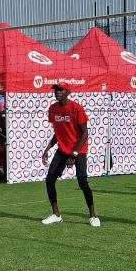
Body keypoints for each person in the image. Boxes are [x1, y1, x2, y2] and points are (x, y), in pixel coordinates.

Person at [41, 84, 99, 227]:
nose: (57, 92)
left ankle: (93, 216)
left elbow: (85, 134)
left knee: (82, 181)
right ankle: (56, 214)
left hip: (78, 150)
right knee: (49, 180)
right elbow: (59, 132)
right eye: (56, 90)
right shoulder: (53, 109)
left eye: (60, 90)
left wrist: (74, 155)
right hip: (62, 149)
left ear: (67, 92)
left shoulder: (76, 108)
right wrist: (47, 148)